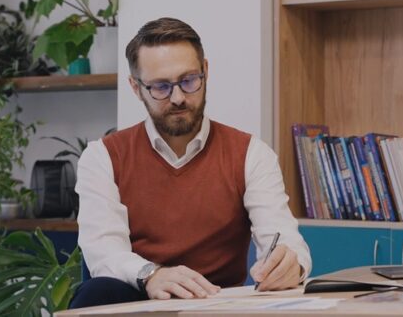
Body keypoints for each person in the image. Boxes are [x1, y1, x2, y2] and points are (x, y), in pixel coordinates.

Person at [69, 17, 312, 308]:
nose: (178, 98)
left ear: (205, 71)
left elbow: (284, 237)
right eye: (160, 86)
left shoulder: (251, 154)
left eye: (189, 80)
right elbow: (104, 252)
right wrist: (152, 275)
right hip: (140, 304)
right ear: (136, 88)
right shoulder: (103, 157)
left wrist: (289, 265)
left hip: (218, 307)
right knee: (97, 292)